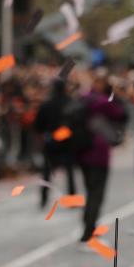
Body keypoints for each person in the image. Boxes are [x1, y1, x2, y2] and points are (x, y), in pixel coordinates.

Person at [77, 72, 128, 242]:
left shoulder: (83, 98)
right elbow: (122, 114)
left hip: (82, 151)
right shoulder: (103, 102)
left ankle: (87, 226)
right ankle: (88, 232)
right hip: (98, 153)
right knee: (96, 194)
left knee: (90, 191)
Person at [32, 79, 78, 209]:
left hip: (51, 141)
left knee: (47, 172)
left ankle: (43, 199)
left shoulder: (47, 104)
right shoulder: (70, 103)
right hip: (67, 141)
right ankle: (72, 199)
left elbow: (38, 125)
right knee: (69, 172)